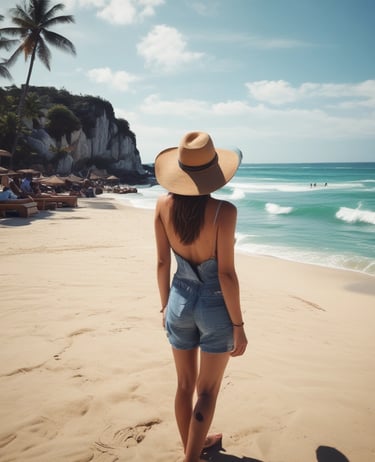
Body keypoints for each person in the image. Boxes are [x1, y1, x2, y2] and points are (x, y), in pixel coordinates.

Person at [154, 131, 248, 462]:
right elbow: (226, 274)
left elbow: (164, 262)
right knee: (206, 392)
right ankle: (191, 458)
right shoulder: (225, 212)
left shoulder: (163, 205)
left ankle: (192, 446)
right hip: (214, 307)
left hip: (178, 300)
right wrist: (238, 324)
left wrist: (165, 306)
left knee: (184, 386)